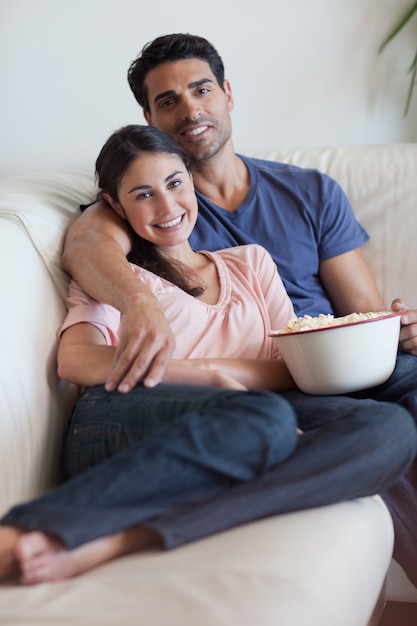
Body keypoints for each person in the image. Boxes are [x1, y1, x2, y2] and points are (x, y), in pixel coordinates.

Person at [1, 124, 415, 585]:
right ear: (114, 205)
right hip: (124, 416)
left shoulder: (251, 262)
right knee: (264, 418)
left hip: (246, 420)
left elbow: (290, 366)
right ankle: (29, 529)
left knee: (389, 428)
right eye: (143, 195)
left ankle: (125, 537)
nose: (167, 206)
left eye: (175, 183)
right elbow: (75, 361)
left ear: (192, 180)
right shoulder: (117, 278)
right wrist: (208, 380)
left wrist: (228, 381)